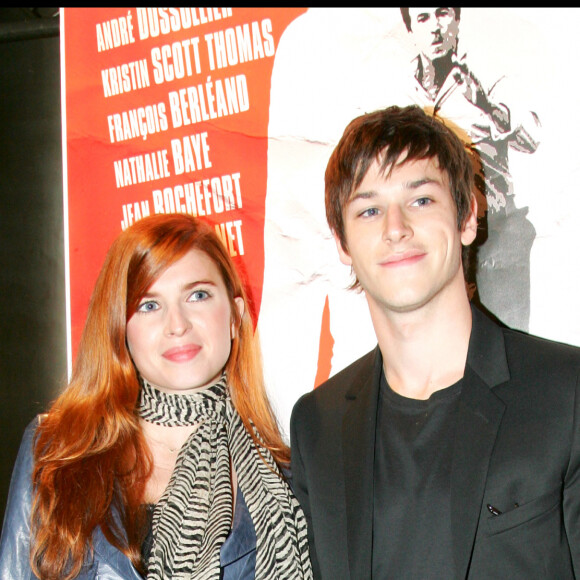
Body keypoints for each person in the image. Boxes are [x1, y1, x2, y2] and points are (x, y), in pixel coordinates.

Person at [290, 105, 580, 579]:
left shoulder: (565, 393)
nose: (395, 227)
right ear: (343, 244)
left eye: (421, 200)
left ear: (467, 217)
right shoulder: (316, 426)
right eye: (369, 209)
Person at [0, 214, 312, 579]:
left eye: (198, 295)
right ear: (121, 327)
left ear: (234, 316)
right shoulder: (56, 453)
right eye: (149, 305)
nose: (177, 324)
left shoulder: (286, 483)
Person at [400, 7, 541, 331]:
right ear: (409, 29)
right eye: (423, 18)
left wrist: (485, 105)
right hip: (431, 246)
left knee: (507, 359)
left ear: (458, 18)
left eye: (443, 13)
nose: (435, 27)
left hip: (496, 237)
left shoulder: (491, 71)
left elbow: (531, 138)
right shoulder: (402, 86)